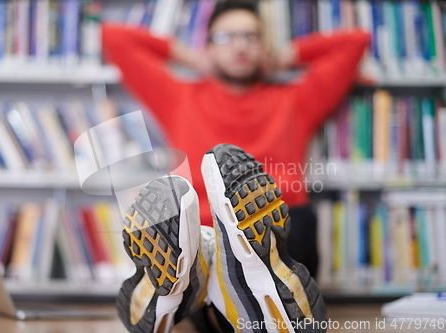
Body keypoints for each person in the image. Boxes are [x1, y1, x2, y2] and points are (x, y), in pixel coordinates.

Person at [102, 1, 370, 332]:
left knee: (293, 224)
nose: (240, 45)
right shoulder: (178, 96)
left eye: (250, 36)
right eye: (226, 37)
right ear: (208, 46)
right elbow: (114, 38)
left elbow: (356, 42)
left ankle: (195, 296)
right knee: (198, 251)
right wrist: (191, 58)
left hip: (278, 235)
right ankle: (218, 295)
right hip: (202, 235)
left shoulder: (296, 99)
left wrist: (286, 56)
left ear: (264, 46)